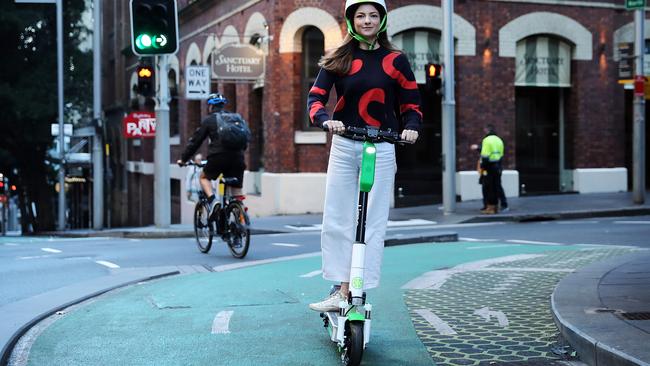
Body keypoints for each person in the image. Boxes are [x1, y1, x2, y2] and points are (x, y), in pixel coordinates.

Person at [306, 0, 422, 312]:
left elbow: (411, 102)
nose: (367, 21)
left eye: (373, 15)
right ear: (351, 20)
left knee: (373, 221)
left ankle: (354, 288)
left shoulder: (396, 60)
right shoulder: (339, 57)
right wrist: (324, 120)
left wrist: (411, 127)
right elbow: (316, 98)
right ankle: (339, 287)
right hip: (345, 144)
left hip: (382, 145)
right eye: (361, 15)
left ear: (382, 20)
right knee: (338, 218)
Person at [177, 93, 246, 215]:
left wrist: (183, 159)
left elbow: (195, 142)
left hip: (218, 157)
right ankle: (241, 217)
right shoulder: (236, 118)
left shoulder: (209, 120)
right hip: (238, 157)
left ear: (210, 106)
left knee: (204, 178)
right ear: (223, 105)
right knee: (236, 189)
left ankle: (213, 201)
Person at [478, 125, 505, 214]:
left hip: (488, 167)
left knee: (487, 188)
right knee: (496, 186)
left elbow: (485, 155)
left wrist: (482, 166)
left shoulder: (486, 140)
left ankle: (489, 208)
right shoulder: (499, 140)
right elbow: (501, 154)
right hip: (498, 167)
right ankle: (498, 206)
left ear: (487, 131)